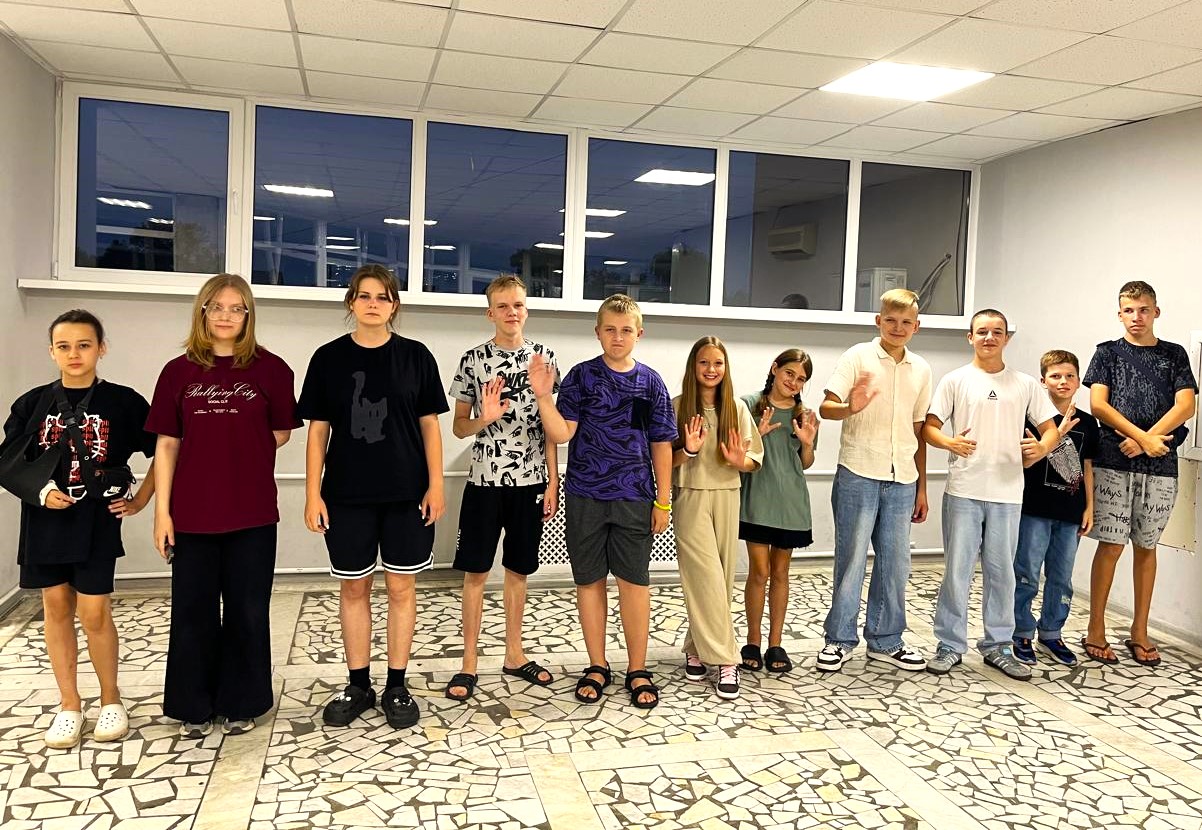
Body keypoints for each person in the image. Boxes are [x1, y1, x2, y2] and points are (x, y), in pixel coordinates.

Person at [148, 274, 300, 738]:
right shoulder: (177, 372)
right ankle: (193, 706)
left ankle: (241, 702)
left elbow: (281, 431)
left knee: (247, 611)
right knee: (191, 612)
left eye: (237, 308)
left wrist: (237, 448)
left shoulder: (272, 370)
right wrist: (162, 512)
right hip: (191, 514)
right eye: (217, 307)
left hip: (251, 512)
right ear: (203, 312)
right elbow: (167, 444)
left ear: (248, 315)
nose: (226, 316)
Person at [299, 264, 448, 728]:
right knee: (353, 588)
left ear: (394, 305)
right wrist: (312, 493)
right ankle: (358, 684)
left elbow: (430, 426)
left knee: (401, 588)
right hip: (346, 495)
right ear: (351, 303)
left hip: (407, 494)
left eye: (382, 297)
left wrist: (437, 484)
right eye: (364, 296)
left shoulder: (416, 356)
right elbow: (317, 432)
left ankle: (397, 686)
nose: (372, 304)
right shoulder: (328, 358)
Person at [0, 310, 155, 748]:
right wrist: (40, 490)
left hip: (96, 520)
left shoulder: (123, 402)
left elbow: (165, 449)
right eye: (64, 346)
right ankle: (69, 703)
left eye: (84, 345)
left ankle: (111, 699)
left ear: (101, 349)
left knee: (94, 612)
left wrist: (141, 499)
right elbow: (8, 461)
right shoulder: (32, 404)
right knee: (54, 607)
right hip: (45, 519)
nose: (74, 354)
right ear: (51, 351)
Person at [530, 294, 675, 709]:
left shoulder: (651, 383)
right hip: (586, 496)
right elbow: (562, 433)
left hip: (634, 496)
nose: (618, 337)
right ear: (597, 332)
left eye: (626, 330)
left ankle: (637, 668)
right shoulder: (581, 377)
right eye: (610, 329)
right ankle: (597, 665)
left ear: (639, 334)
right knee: (589, 581)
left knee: (634, 583)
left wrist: (663, 502)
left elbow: (661, 443)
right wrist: (543, 397)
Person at [923, 308, 1064, 680]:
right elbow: (930, 428)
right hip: (963, 491)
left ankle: (998, 646)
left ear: (1006, 338)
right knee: (957, 572)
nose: (989, 337)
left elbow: (1051, 428)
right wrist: (949, 443)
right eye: (982, 331)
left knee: (1002, 574)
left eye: (997, 332)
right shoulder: (955, 380)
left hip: (1007, 493)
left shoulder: (1025, 384)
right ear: (970, 337)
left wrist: (1042, 448)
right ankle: (949, 645)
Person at [444, 274, 559, 702]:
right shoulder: (473, 360)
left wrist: (553, 482)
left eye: (519, 305)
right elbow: (459, 427)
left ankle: (514, 654)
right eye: (504, 306)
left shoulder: (545, 359)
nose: (513, 312)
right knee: (476, 571)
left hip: (531, 483)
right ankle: (469, 662)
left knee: (518, 570)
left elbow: (552, 429)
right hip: (484, 482)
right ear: (490, 312)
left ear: (527, 309)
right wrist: (485, 418)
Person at [1081, 281, 1197, 667]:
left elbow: (1186, 406)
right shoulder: (1107, 353)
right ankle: (1095, 627)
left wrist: (1148, 441)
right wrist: (1139, 438)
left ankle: (1140, 630)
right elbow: (1099, 405)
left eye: (1143, 310)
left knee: (1147, 547)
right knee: (1111, 546)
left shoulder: (1174, 354)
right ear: (1119, 314)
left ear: (1155, 312)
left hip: (1160, 464)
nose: (1136, 317)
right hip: (1114, 462)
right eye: (1129, 311)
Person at [817, 289, 931, 673]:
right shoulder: (857, 357)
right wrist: (850, 406)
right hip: (858, 473)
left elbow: (919, 430)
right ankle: (839, 639)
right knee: (851, 561)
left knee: (895, 565)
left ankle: (886, 640)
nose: (898, 328)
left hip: (903, 479)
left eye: (906, 322)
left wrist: (922, 487)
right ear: (878, 320)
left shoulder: (921, 369)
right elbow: (826, 408)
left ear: (916, 326)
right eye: (891, 320)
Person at [672, 337, 763, 699]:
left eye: (718, 363)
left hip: (727, 494)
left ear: (726, 369)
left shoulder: (736, 408)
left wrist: (740, 460)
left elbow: (754, 459)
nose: (711, 370)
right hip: (690, 495)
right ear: (693, 366)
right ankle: (727, 658)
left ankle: (696, 646)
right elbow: (664, 460)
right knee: (705, 577)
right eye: (704, 363)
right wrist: (688, 449)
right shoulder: (677, 406)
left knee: (720, 580)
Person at [1012, 350, 1099, 667]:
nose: (1063, 381)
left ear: (1078, 381)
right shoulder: (1030, 418)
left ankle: (1051, 633)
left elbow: (1087, 468)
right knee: (1026, 574)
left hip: (1070, 513)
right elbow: (1021, 460)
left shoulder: (1088, 423)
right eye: (1055, 376)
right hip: (1034, 510)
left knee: (1061, 577)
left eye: (1069, 376)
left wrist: (1089, 507)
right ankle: (1021, 631)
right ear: (1043, 381)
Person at [738, 348, 818, 675]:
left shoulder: (804, 415)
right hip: (757, 500)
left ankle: (775, 643)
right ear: (775, 369)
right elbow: (736, 453)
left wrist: (808, 443)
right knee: (759, 571)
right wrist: (757, 434)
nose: (793, 382)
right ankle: (752, 640)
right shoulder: (747, 404)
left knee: (781, 572)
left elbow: (805, 463)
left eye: (801, 379)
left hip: (791, 503)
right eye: (789, 373)